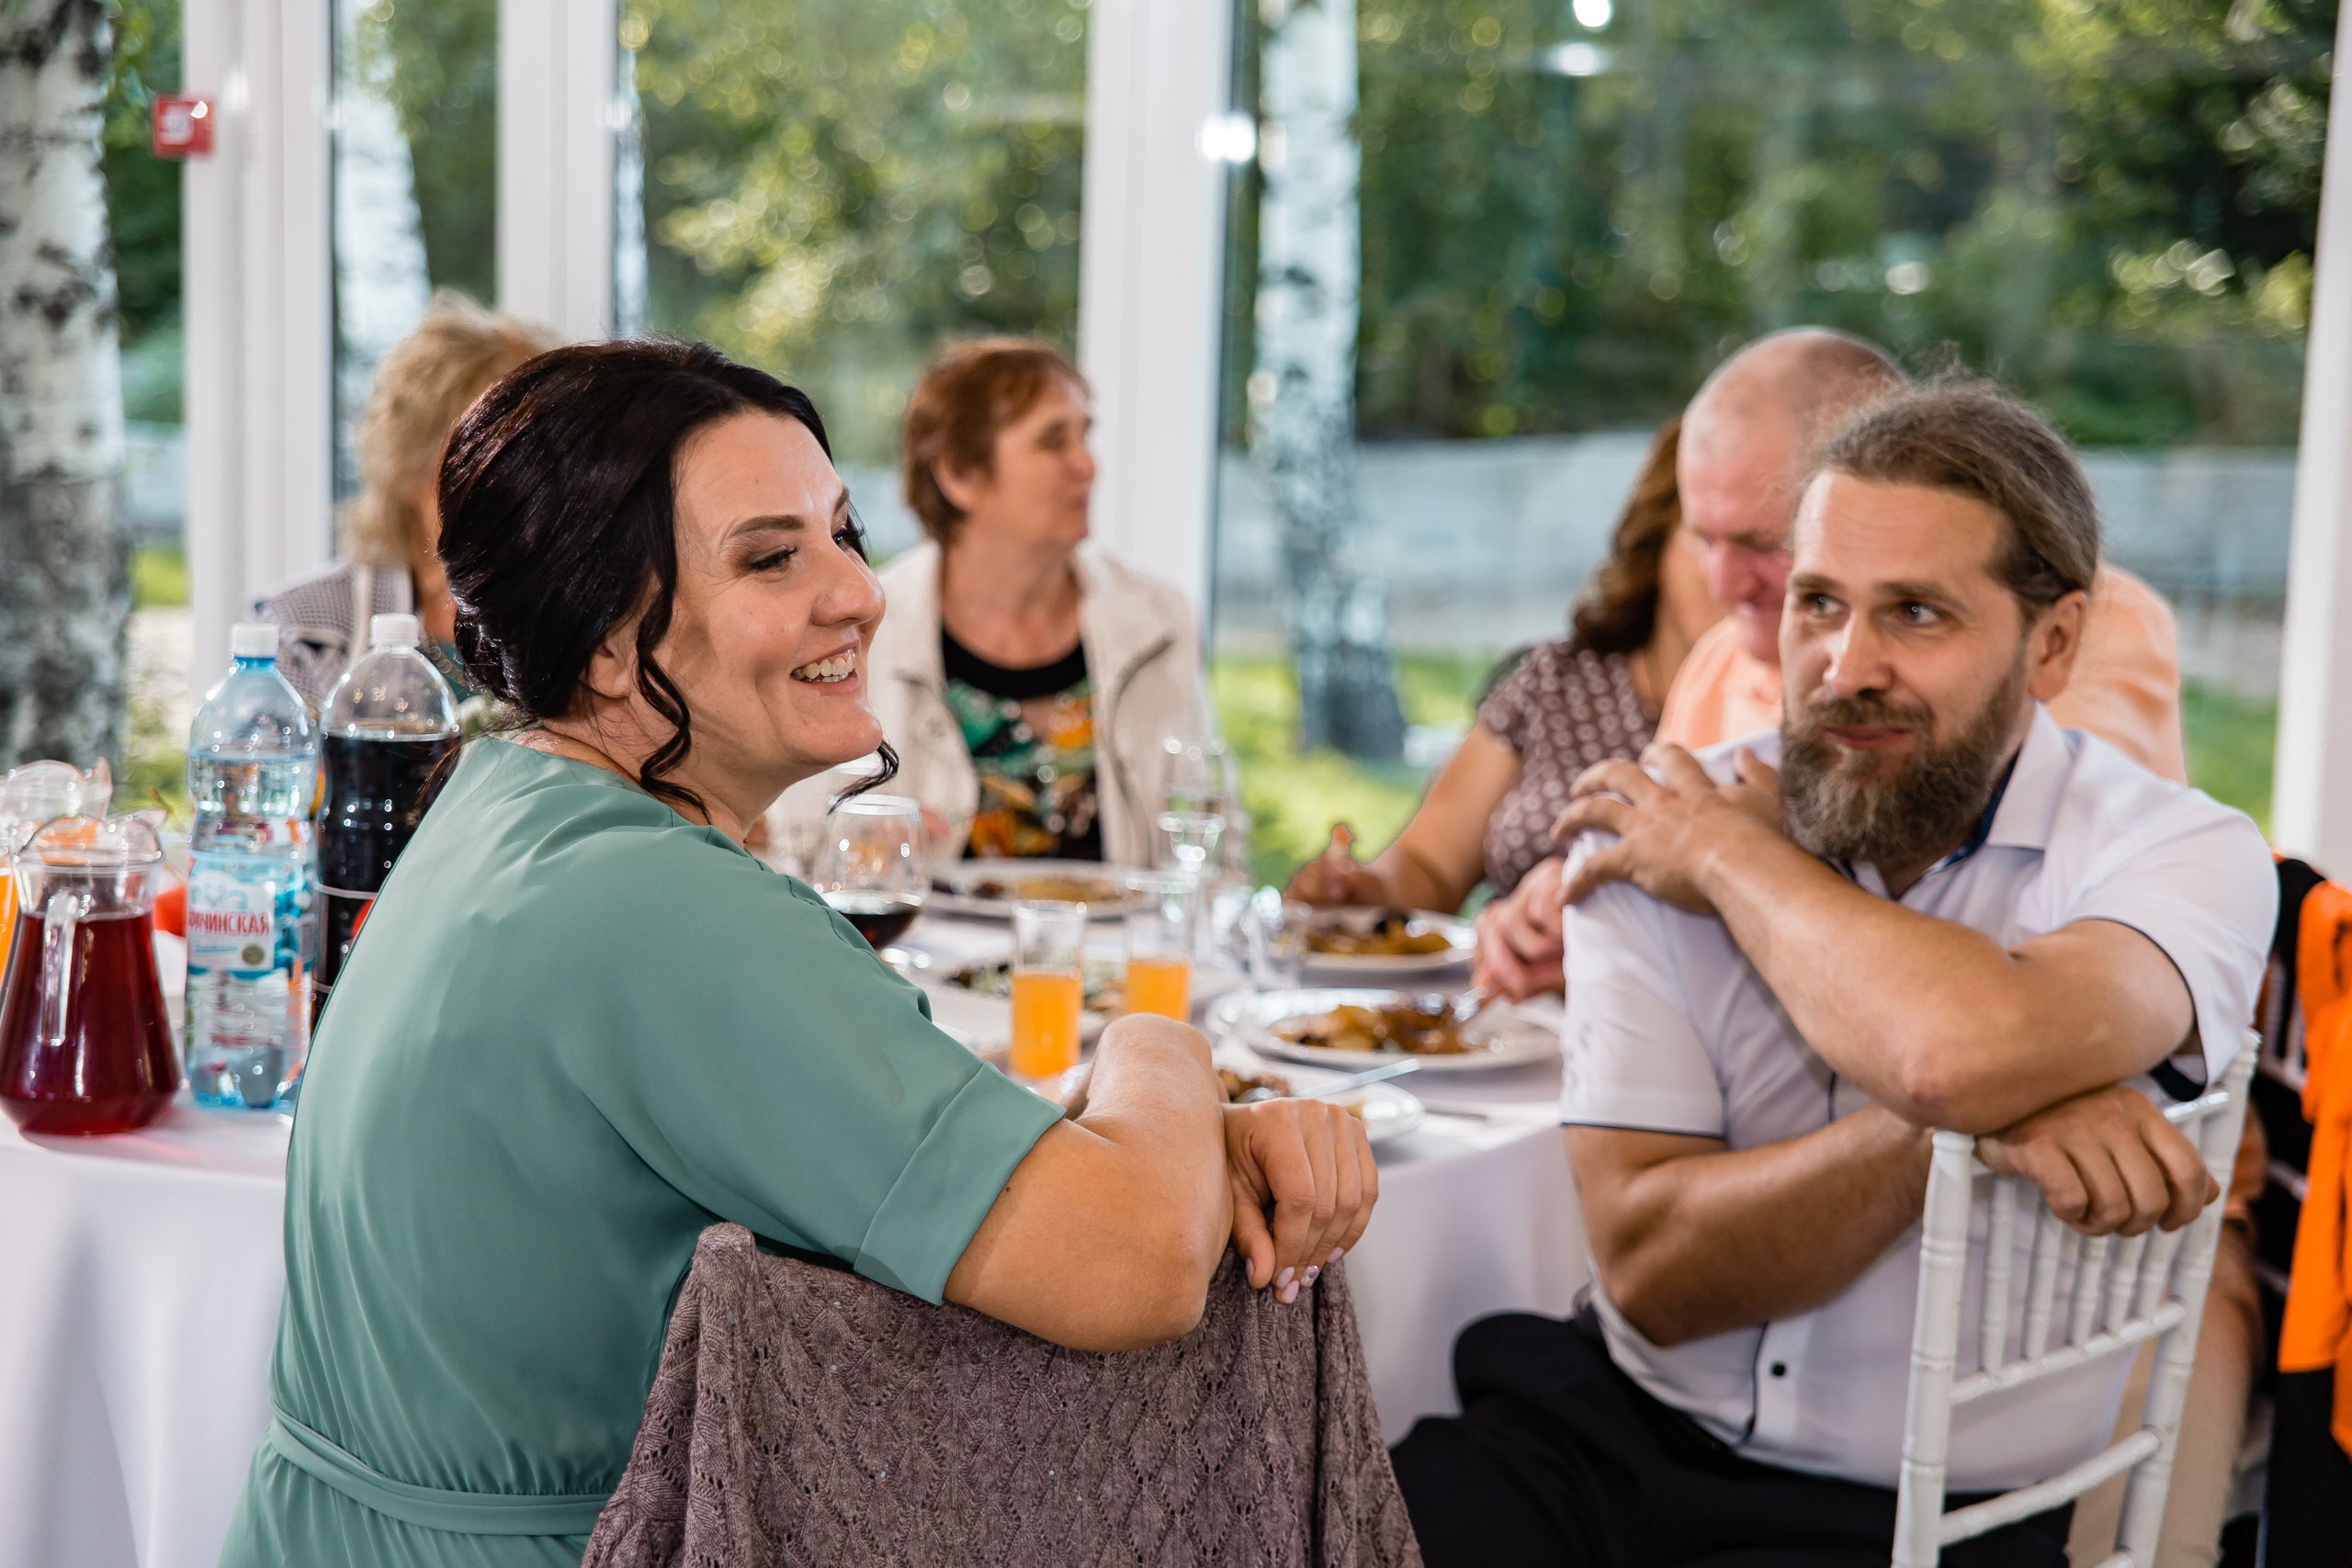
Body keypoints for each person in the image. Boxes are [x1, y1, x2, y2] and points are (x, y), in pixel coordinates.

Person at [217, 341, 1376, 1568]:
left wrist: (1148, 1141)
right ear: (604, 639)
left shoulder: (502, 803)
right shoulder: (661, 906)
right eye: (772, 557)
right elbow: (1137, 1261)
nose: (859, 593)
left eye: (843, 534)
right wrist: (1162, 1044)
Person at [1387, 383, 2274, 1566]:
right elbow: (1650, 1270)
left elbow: (1953, 1057)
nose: (1845, 666)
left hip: (1945, 1506)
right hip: (1619, 1429)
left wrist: (1734, 863)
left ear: (2053, 643)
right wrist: (1975, 1119)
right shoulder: (1656, 819)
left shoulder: (2179, 852)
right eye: (1817, 604)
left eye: (1915, 613)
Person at [1474, 328, 2190, 999]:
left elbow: (2024, 948)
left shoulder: (2068, 625)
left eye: (1761, 542)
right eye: (1704, 538)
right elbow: (1672, 856)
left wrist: (1740, 862)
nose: (1724, 585)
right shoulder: (1723, 651)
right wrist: (1587, 901)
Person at [1283, 418, 1720, 936]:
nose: (1743, 574)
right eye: (1712, 537)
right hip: (1507, 985)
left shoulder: (1790, 726)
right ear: (1656, 538)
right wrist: (1363, 890)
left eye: (1775, 545)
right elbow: (1431, 864)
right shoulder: (1556, 681)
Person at [867, 337, 1217, 867]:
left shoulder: (1158, 622)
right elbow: (803, 842)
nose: (1088, 465)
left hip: (1131, 928)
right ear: (959, 473)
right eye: (1054, 442)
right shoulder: (866, 630)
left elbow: (1213, 845)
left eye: (1085, 435)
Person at [254, 290, 560, 704]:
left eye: (546, 459)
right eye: (490, 459)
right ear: (410, 466)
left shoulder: (588, 615)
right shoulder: (302, 630)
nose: (529, 484)